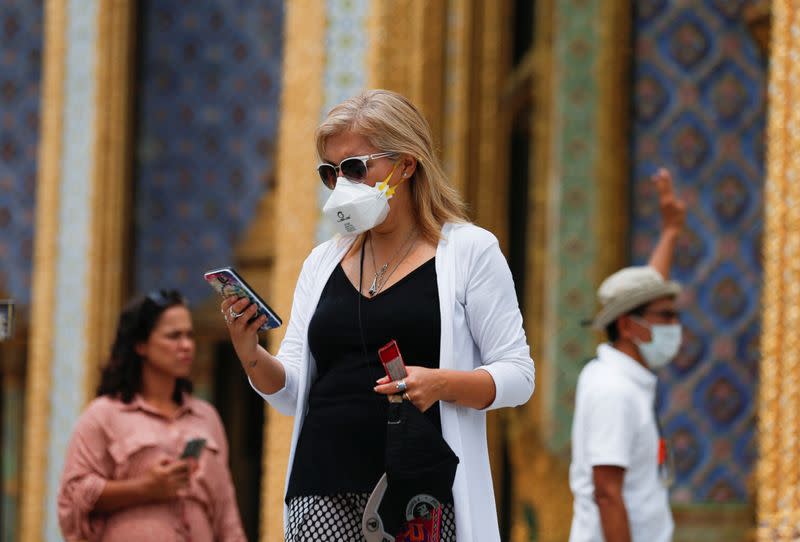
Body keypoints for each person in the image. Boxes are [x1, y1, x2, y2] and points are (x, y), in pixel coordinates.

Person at [221, 89, 534, 541]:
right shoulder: (322, 261)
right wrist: (251, 354)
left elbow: (518, 375)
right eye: (330, 173)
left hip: (418, 488)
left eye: (355, 168)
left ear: (406, 164)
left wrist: (440, 382)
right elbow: (291, 390)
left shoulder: (468, 251)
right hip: (321, 483)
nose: (342, 185)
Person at [57, 290, 246, 542]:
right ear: (141, 344)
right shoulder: (103, 414)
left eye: (189, 335)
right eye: (173, 336)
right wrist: (145, 488)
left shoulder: (206, 417)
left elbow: (226, 513)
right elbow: (73, 495)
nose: (187, 345)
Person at [568, 169, 686, 542]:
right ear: (629, 326)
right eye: (665, 317)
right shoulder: (613, 390)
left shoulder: (621, 375)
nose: (674, 326)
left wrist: (670, 232)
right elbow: (607, 493)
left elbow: (647, 289)